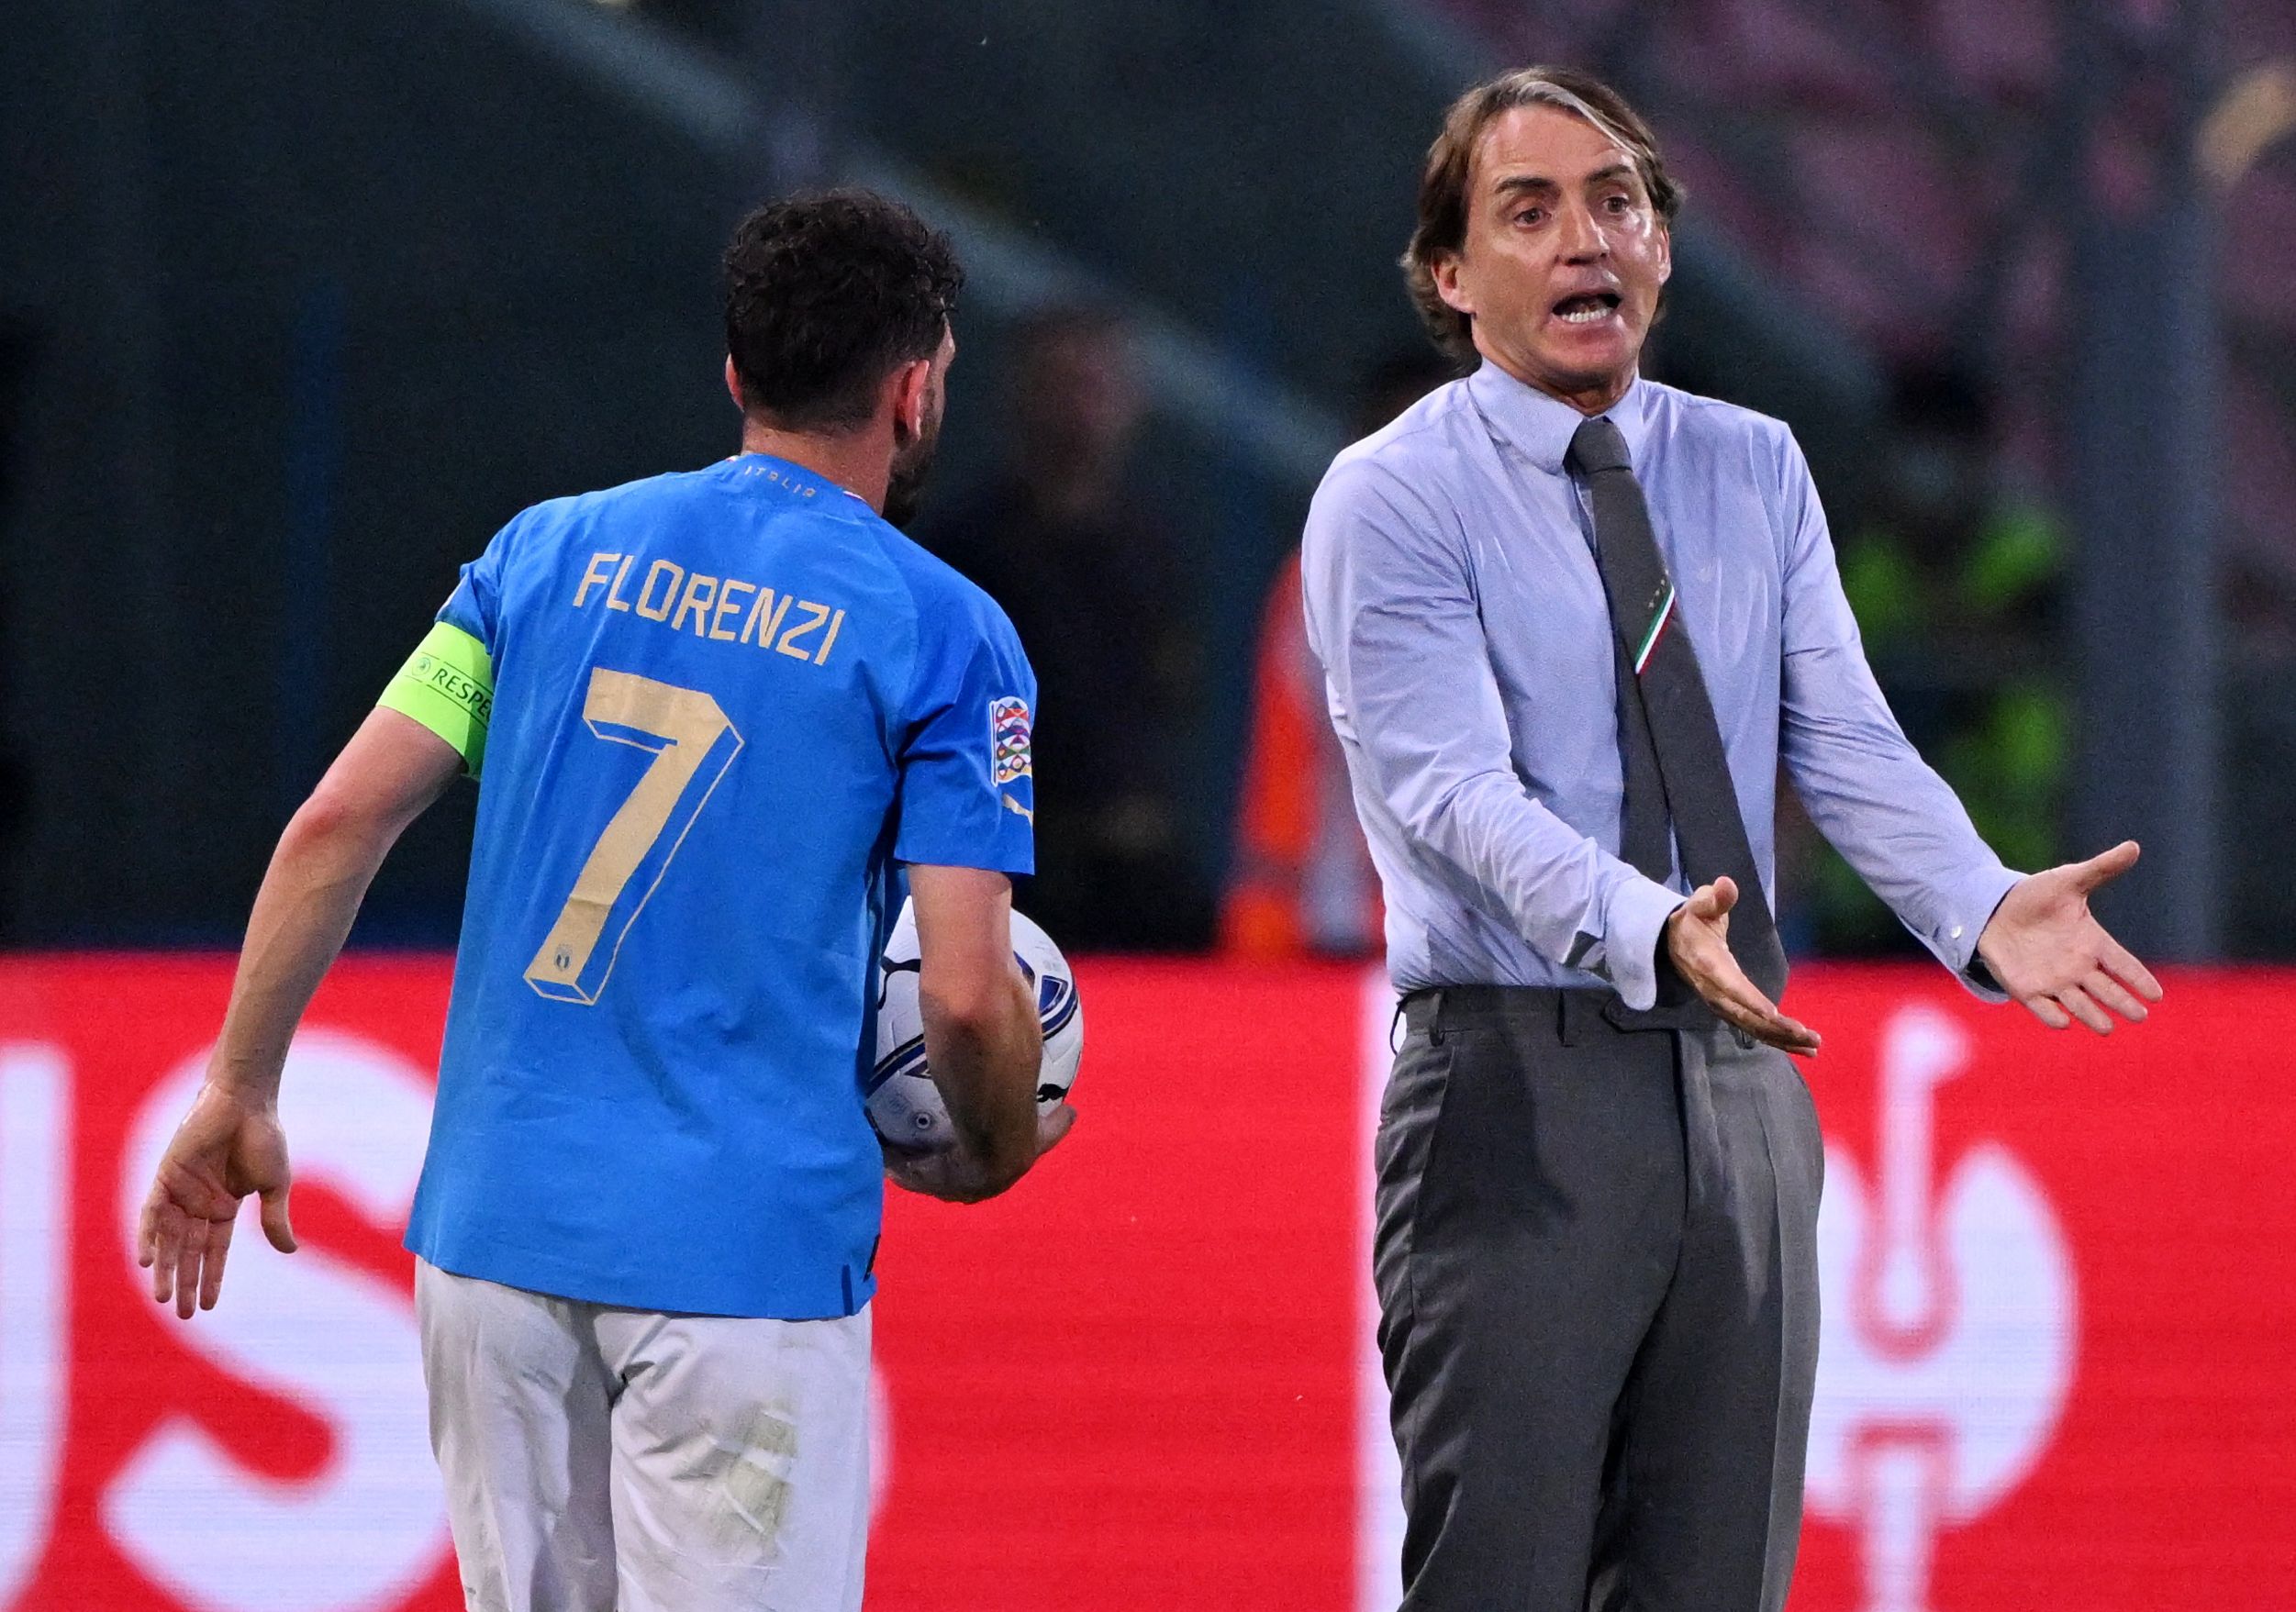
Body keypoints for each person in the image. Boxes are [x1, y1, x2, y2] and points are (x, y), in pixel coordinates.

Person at [134, 189, 1074, 1612]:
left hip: (494, 1245)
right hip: (739, 1264)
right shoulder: (946, 631)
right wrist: (994, 1141)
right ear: (915, 389)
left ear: (736, 376)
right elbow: (957, 986)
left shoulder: (539, 557)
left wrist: (241, 1083)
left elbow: (337, 819)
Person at [1300, 68, 2162, 1612]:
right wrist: (1643, 923)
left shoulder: (1752, 464)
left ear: (1666, 249)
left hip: (1748, 1092)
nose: (1586, 239)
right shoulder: (1394, 494)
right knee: (1497, 1579)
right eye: (1530, 208)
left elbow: (1837, 735)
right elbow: (1445, 788)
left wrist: (1974, 903)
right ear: (1450, 275)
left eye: (1617, 201)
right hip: (1518, 1085)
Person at [918, 305, 1211, 951]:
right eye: (1059, 385)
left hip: (1146, 880)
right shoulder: (967, 548)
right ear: (1019, 398)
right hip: (1023, 874)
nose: (1079, 408)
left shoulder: (1155, 543)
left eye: (1097, 385)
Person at [1224, 350, 1455, 959]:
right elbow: (1280, 769)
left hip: (1469, 946)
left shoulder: (1510, 585)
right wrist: (1260, 932)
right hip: (1326, 934)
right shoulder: (1311, 583)